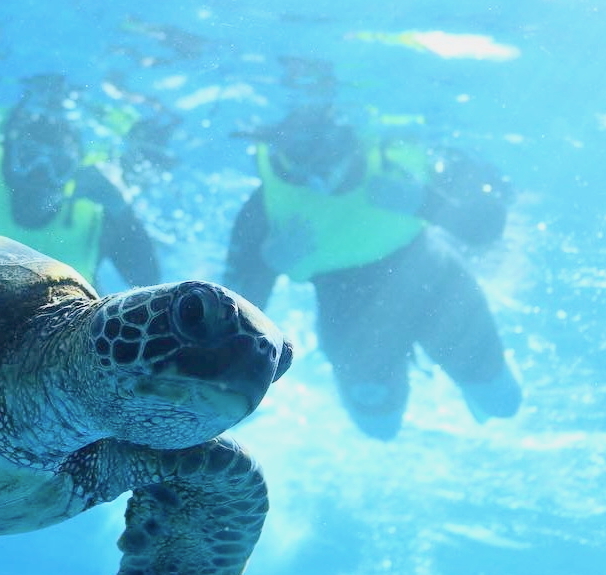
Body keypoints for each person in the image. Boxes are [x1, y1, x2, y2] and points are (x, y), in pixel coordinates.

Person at [224, 105, 522, 439]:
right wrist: (267, 263)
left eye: (326, 164)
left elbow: (489, 226)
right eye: (300, 171)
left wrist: (428, 203)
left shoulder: (395, 155)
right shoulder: (266, 203)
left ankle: (476, 384)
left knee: (503, 401)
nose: (317, 182)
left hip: (434, 283)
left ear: (351, 145)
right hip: (350, 312)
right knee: (380, 427)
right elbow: (232, 310)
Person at [0, 74, 160, 291]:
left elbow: (147, 279)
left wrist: (121, 209)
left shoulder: (99, 216)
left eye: (59, 164)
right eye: (28, 156)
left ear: (75, 169)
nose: (41, 173)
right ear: (9, 157)